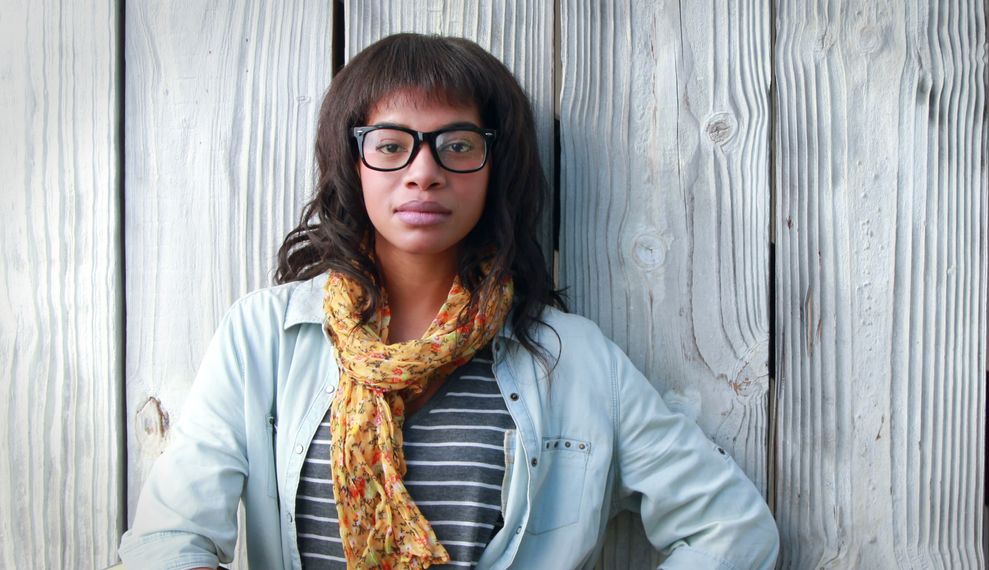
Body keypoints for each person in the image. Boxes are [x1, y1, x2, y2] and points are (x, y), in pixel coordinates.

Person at [118, 33, 779, 570]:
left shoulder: (573, 360)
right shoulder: (264, 337)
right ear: (351, 162)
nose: (423, 170)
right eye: (391, 145)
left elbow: (733, 529)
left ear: (497, 167)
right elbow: (165, 542)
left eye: (458, 144)